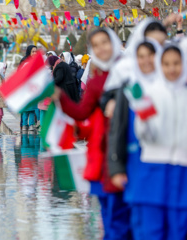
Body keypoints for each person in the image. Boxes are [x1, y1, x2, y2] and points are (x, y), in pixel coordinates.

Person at [55, 28, 132, 240]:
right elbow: (81, 112)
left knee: (127, 214)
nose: (101, 48)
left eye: (104, 42)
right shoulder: (96, 81)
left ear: (114, 43)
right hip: (102, 153)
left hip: (129, 150)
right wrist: (58, 96)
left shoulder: (131, 73)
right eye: (95, 45)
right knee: (108, 215)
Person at [119, 44, 187, 240]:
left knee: (179, 230)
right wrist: (144, 120)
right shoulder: (151, 93)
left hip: (182, 170)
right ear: (160, 65)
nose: (171, 69)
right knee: (151, 231)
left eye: (176, 63)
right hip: (153, 169)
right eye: (166, 64)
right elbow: (146, 135)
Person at [19, 45, 38, 132]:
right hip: (25, 89)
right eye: (33, 51)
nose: (34, 53)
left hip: (33, 88)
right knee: (26, 109)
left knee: (32, 109)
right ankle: (24, 125)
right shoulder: (24, 61)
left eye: (35, 51)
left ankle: (31, 125)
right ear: (29, 52)